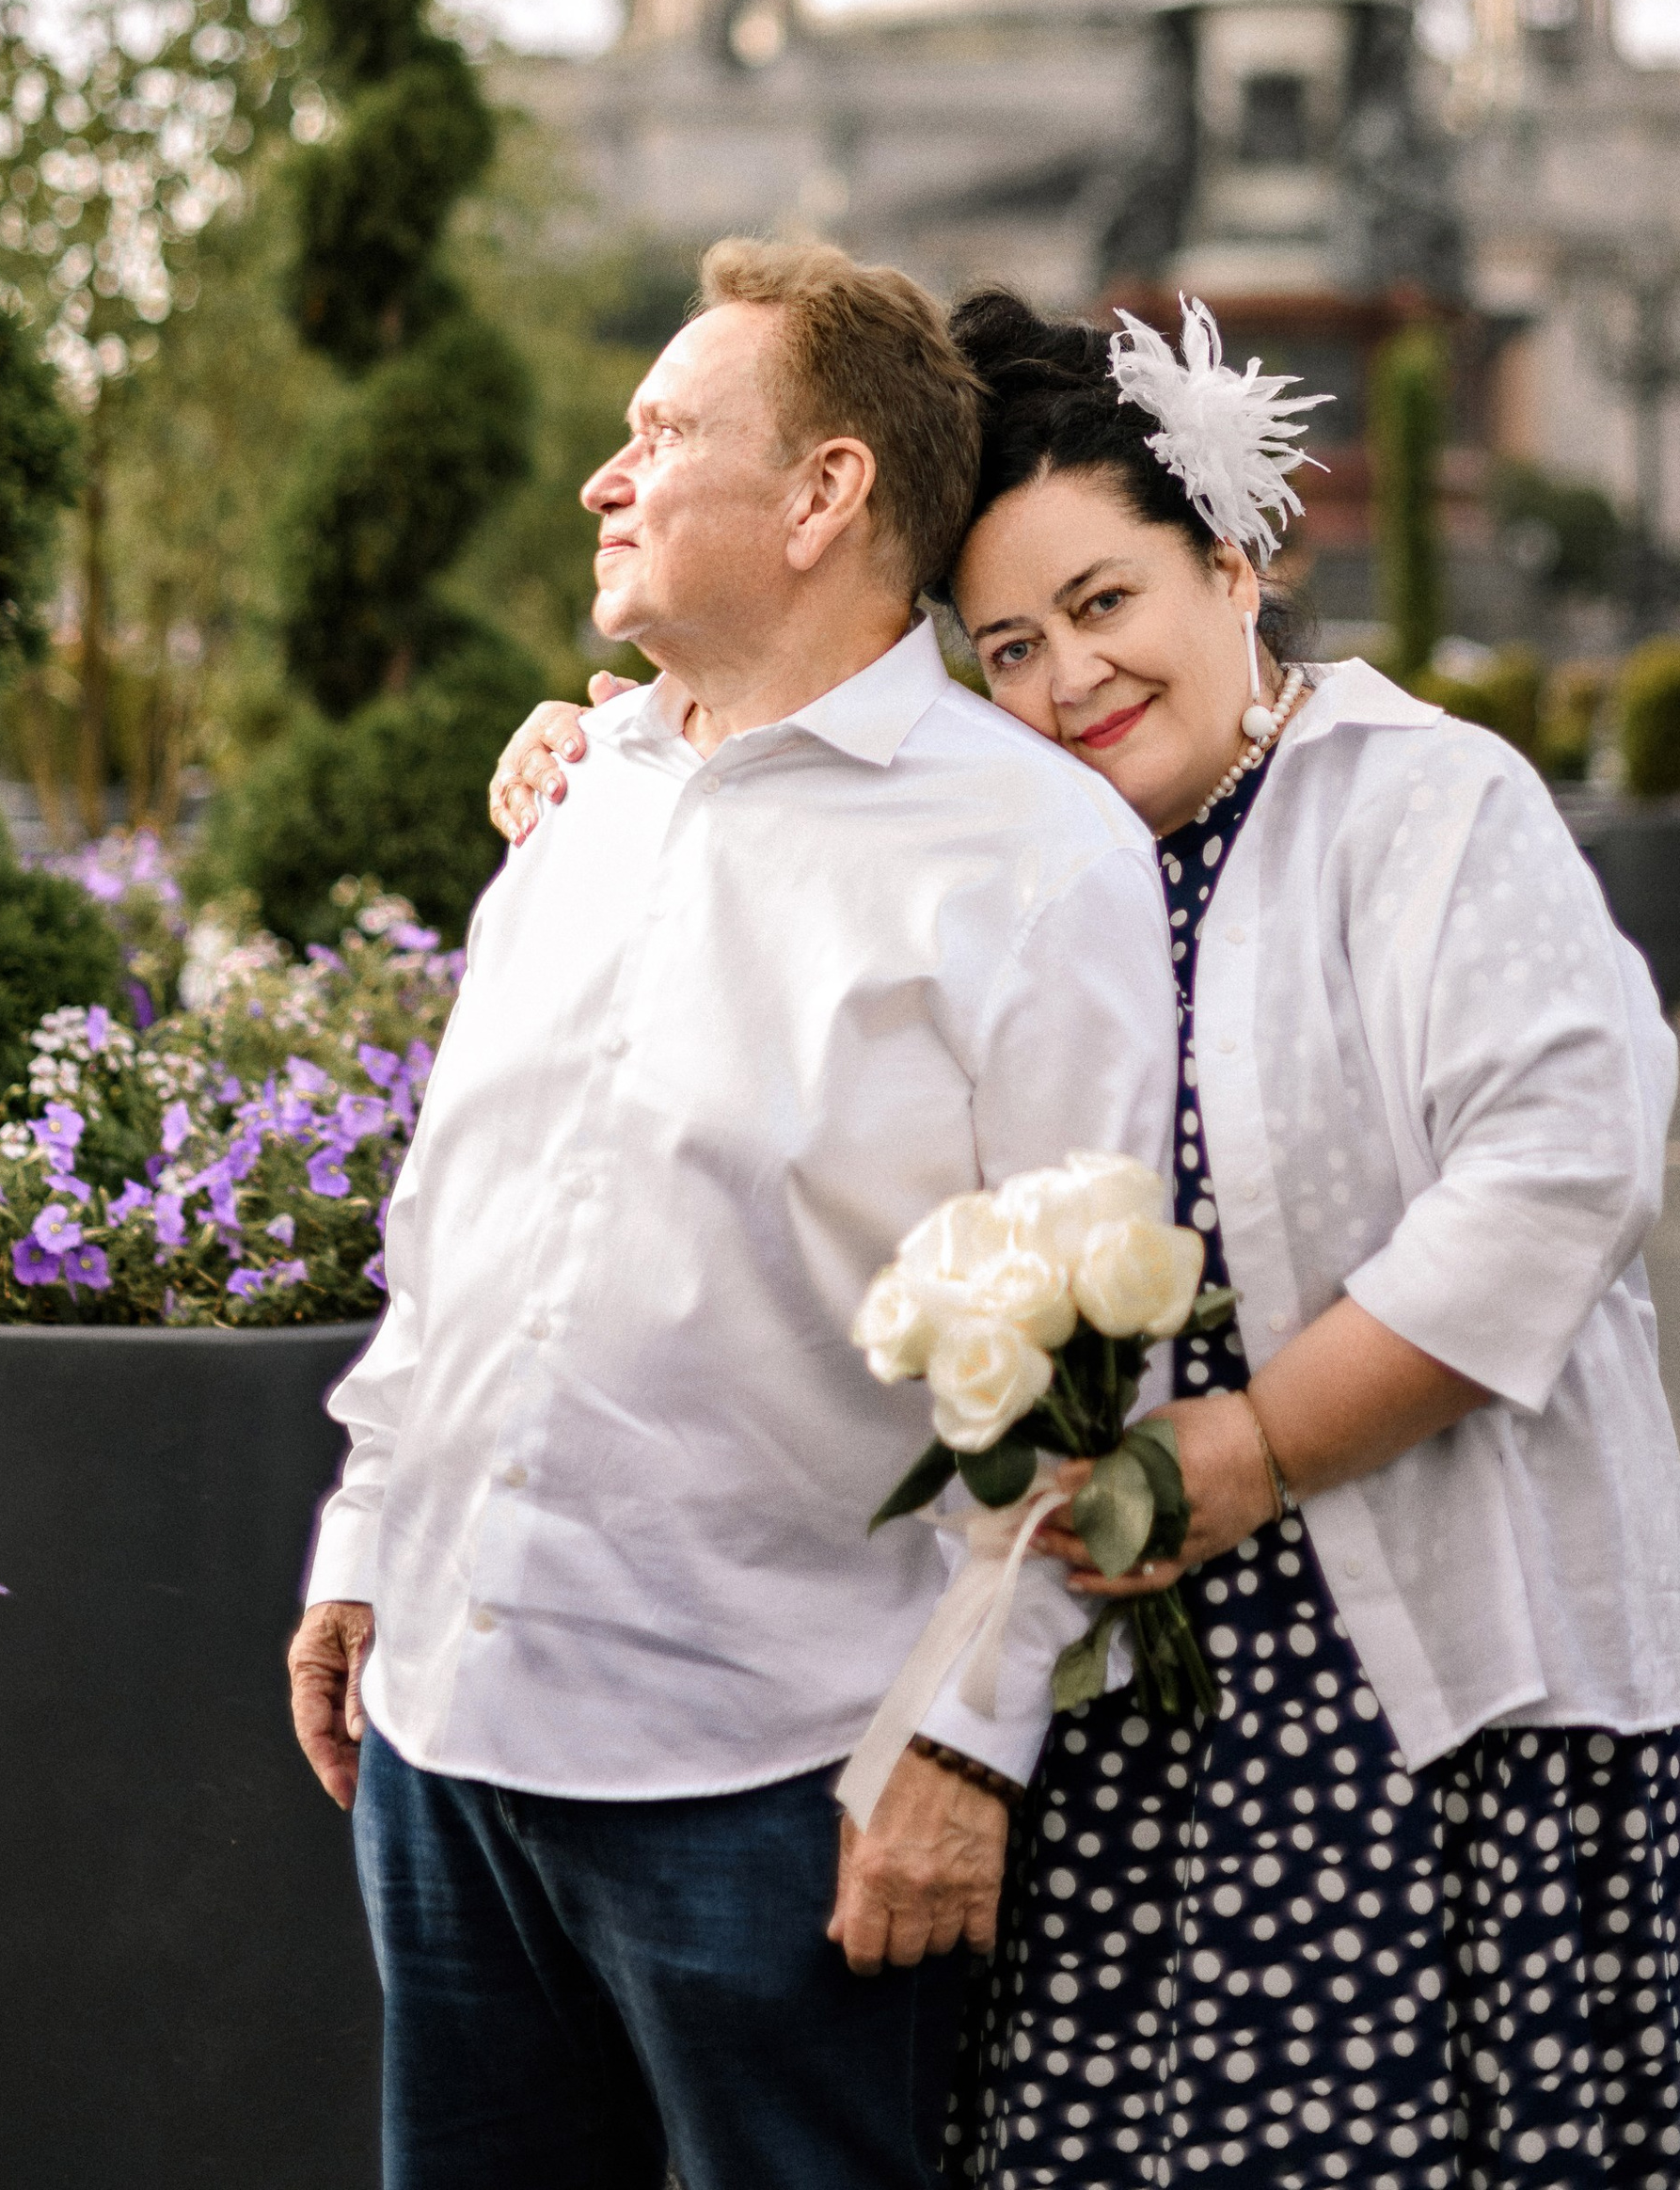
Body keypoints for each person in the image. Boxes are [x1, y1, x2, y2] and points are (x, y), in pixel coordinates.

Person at [492, 288, 1680, 2190]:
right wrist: (611, 739)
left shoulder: (1420, 808)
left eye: (1102, 603)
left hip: (1403, 1702)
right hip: (1109, 1715)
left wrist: (1251, 1443)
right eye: (1003, 646)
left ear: (1231, 563)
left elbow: (1555, 1172)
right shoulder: (1003, 849)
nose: (1064, 676)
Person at [293, 240, 1178, 2190]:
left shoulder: (1029, 861)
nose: (603, 479)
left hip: (766, 1789)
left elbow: (1086, 1366)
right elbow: (463, 1210)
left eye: (657, 430)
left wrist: (962, 1747)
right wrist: (363, 1534)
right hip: (443, 1731)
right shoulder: (582, 792)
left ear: (821, 492)